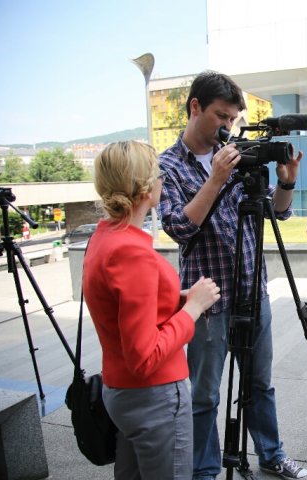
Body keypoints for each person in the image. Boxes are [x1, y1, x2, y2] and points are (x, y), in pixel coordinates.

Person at [158, 71, 307, 480]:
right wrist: (215, 179)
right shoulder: (168, 165)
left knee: (260, 384)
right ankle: (204, 471)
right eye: (220, 116)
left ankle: (272, 454)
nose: (227, 126)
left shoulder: (239, 151)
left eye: (231, 119)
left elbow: (275, 212)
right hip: (205, 301)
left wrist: (286, 183)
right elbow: (178, 227)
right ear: (195, 108)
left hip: (251, 287)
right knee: (204, 394)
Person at [83, 141, 221, 479]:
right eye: (158, 174)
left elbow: (124, 307)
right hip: (154, 398)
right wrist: (192, 308)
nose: (163, 180)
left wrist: (176, 298)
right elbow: (144, 357)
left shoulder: (104, 239)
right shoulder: (132, 252)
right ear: (146, 187)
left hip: (123, 394)